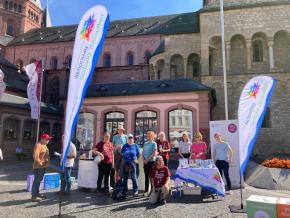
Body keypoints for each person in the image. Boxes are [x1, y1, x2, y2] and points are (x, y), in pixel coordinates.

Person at [31, 134, 51, 202]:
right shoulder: (38, 145)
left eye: (48, 139)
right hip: (39, 167)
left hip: (43, 167)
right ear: (42, 139)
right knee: (37, 181)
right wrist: (40, 163)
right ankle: (33, 196)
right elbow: (35, 156)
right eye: (47, 139)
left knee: (39, 180)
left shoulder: (44, 145)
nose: (48, 140)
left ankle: (37, 193)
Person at [143, 130, 157, 196]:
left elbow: (153, 153)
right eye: (147, 135)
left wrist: (147, 160)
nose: (148, 136)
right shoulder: (145, 143)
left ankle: (152, 190)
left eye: (150, 135)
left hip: (151, 162)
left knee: (151, 177)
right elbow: (143, 152)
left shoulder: (154, 143)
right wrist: (144, 160)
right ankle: (146, 191)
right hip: (145, 162)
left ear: (152, 136)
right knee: (146, 177)